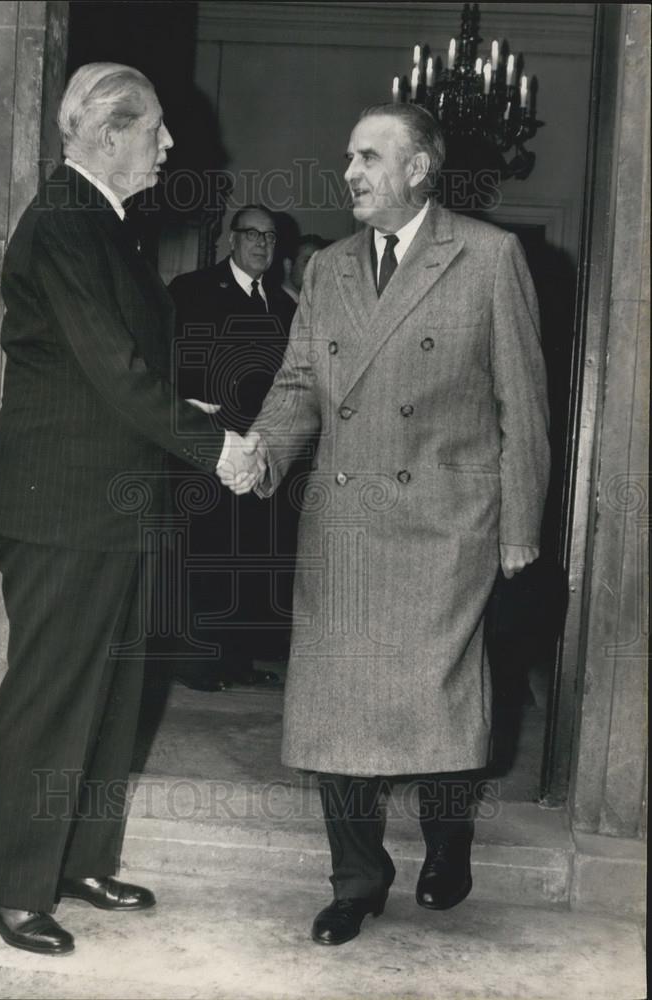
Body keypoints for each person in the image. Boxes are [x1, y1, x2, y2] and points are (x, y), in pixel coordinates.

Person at [234, 103, 550, 945]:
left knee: (439, 707)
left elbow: (522, 401)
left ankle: (447, 841)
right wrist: (260, 451)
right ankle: (357, 879)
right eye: (348, 157)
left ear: (418, 170)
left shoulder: (486, 256)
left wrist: (518, 522)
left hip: (444, 524)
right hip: (344, 522)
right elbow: (299, 383)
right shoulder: (330, 268)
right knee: (334, 709)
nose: (350, 172)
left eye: (370, 157)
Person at [0, 62, 259, 955]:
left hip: (112, 499)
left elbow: (115, 372)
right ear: (108, 134)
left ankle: (80, 861)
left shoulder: (106, 223)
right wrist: (213, 445)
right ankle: (13, 889)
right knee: (53, 696)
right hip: (59, 503)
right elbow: (111, 370)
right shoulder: (64, 220)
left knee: (113, 691)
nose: (168, 144)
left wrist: (195, 413)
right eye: (155, 130)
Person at [167, 205, 301, 691]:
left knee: (249, 556)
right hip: (208, 447)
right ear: (231, 240)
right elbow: (173, 366)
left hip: (260, 451)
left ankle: (237, 661)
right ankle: (195, 663)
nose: (262, 244)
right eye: (252, 234)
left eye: (270, 237)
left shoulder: (286, 308)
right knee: (203, 554)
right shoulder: (192, 290)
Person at [282, 233, 331, 303]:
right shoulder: (276, 306)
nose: (314, 269)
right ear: (288, 265)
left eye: (318, 263)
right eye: (307, 261)